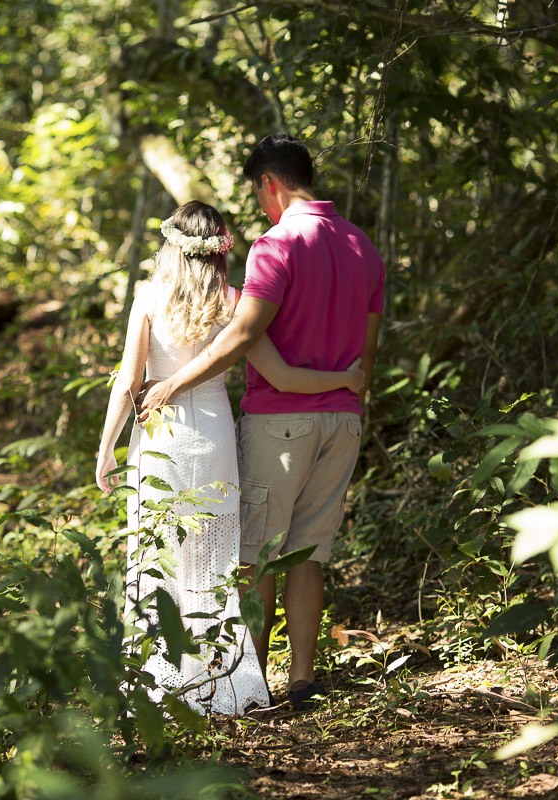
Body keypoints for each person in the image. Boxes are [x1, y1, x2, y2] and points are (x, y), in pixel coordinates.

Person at [139, 134, 385, 711]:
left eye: (258, 194)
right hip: (343, 421)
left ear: (269, 183)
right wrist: (347, 387)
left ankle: (247, 684)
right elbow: (366, 355)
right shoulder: (361, 245)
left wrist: (174, 383)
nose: (260, 206)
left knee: (258, 553)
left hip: (280, 423)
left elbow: (245, 334)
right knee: (309, 552)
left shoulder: (276, 245)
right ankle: (303, 679)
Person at [96, 200, 363, 715]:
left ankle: (157, 682)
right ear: (220, 250)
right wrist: (346, 379)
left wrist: (107, 447)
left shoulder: (148, 297)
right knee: (213, 560)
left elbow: (129, 381)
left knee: (157, 553)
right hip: (215, 438)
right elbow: (284, 376)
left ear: (170, 245)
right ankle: (220, 683)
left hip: (160, 435)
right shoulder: (233, 303)